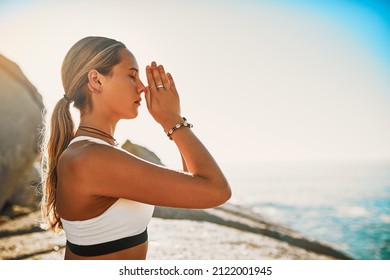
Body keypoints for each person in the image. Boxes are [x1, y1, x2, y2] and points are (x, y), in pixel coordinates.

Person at [41, 36, 231, 260]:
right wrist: (171, 121)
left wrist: (175, 118)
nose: (142, 87)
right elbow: (216, 191)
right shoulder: (90, 158)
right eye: (132, 76)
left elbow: (191, 183)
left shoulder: (98, 151)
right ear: (96, 80)